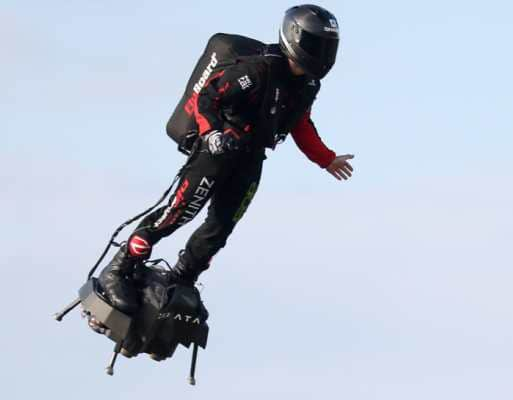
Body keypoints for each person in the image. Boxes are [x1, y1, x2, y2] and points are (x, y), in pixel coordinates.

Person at [98, 4, 354, 314]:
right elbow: (209, 97)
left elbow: (300, 123)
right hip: (217, 152)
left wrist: (326, 159)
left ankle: (181, 280)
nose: (322, 53)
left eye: (328, 46)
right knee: (177, 215)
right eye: (316, 44)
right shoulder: (258, 70)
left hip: (252, 160)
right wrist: (213, 135)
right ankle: (119, 269)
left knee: (220, 228)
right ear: (294, 38)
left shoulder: (308, 85)